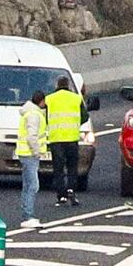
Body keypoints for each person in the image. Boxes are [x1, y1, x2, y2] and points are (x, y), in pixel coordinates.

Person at [29, 76, 83, 221]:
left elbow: (43, 116)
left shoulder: (50, 99)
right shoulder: (76, 98)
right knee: (72, 167)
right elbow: (84, 116)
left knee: (58, 169)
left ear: (57, 85)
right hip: (72, 137)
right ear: (69, 85)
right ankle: (72, 189)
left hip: (56, 138)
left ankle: (61, 195)